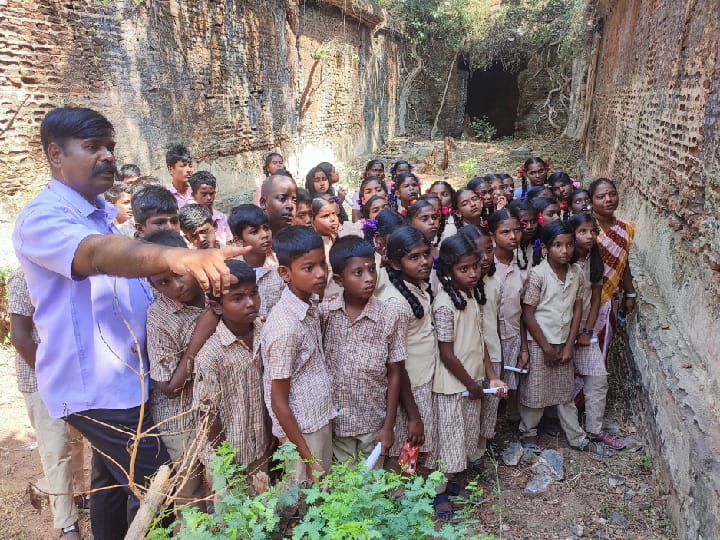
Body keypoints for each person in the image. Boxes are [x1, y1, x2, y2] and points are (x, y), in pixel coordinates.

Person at [12, 107, 246, 539]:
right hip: (94, 391)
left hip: (129, 381)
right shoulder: (42, 219)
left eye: (110, 147)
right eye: (92, 147)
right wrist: (177, 255)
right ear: (55, 154)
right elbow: (96, 256)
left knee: (112, 484)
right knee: (162, 480)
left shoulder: (103, 215)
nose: (106, 157)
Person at [431, 234, 507, 520]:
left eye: (476, 266)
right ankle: (437, 493)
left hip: (472, 383)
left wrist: (491, 377)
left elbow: (480, 340)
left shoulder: (471, 296)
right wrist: (472, 384)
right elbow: (447, 354)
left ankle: (451, 485)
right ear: (449, 271)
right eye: (465, 269)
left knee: (463, 440)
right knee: (448, 444)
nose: (474, 273)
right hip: (453, 387)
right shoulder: (444, 304)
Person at [8, 268, 85, 539]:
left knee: (74, 440)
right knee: (56, 449)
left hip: (72, 375)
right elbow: (20, 337)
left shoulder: (67, 272)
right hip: (41, 380)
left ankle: (74, 494)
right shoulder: (22, 278)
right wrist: (52, 377)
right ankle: (66, 523)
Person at [259, 226, 335, 482]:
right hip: (302, 433)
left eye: (322, 264)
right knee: (307, 502)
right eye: (308, 268)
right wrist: (308, 458)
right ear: (285, 273)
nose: (321, 273)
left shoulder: (308, 304)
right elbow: (279, 401)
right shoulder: (286, 328)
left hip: (316, 419)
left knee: (322, 498)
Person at [319, 236, 403, 466]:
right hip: (337, 423)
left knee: (371, 488)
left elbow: (395, 372)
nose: (369, 279)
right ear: (338, 279)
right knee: (344, 488)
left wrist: (388, 426)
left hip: (372, 423)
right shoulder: (325, 313)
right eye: (358, 273)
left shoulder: (388, 315)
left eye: (372, 270)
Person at [144, 230, 210, 510]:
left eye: (180, 274)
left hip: (213, 414)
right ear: (152, 285)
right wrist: (202, 334)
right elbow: (169, 388)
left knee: (221, 487)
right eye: (163, 283)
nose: (177, 286)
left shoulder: (213, 292)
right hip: (180, 422)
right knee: (189, 497)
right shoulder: (159, 319)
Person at [193, 259, 272, 485]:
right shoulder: (211, 356)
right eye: (237, 298)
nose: (250, 303)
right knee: (232, 516)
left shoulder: (264, 332)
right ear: (217, 306)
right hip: (227, 457)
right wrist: (227, 459)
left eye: (254, 294)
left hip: (259, 446)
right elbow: (208, 414)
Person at [519, 221, 591, 450]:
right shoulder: (538, 275)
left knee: (565, 391)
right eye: (558, 245)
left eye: (569, 245)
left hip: (563, 340)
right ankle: (528, 431)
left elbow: (577, 308)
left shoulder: (576, 272)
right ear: (546, 249)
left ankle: (576, 436)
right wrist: (546, 348)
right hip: (541, 342)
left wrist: (569, 344)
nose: (565, 251)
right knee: (536, 389)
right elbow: (528, 314)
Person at [376, 226, 435, 467]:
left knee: (416, 443)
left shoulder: (417, 286)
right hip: (408, 388)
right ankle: (401, 497)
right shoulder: (395, 303)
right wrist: (413, 414)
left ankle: (412, 494)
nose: (424, 262)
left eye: (426, 254)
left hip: (423, 378)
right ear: (396, 264)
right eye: (414, 257)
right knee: (408, 440)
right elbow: (396, 365)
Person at [568, 215, 626, 450]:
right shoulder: (563, 259)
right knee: (561, 379)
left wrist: (587, 330)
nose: (590, 236)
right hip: (560, 330)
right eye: (583, 231)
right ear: (572, 233)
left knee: (598, 378)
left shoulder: (595, 259)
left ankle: (594, 429)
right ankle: (560, 426)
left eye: (593, 231)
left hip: (583, 329)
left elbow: (595, 300)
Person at [588, 178, 636, 429]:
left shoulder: (624, 229)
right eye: (601, 196)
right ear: (591, 201)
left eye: (612, 194)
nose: (608, 200)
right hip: (586, 303)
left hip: (611, 301)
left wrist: (630, 294)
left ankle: (588, 401)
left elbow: (623, 263)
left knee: (601, 351)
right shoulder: (587, 229)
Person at [457, 225, 504, 454]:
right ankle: (467, 456)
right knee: (469, 410)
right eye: (478, 252)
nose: (485, 258)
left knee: (488, 410)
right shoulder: (462, 286)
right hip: (468, 359)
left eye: (489, 250)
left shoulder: (494, 282)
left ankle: (481, 453)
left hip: (492, 352)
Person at [487, 209, 529, 419]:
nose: (513, 237)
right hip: (489, 340)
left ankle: (510, 422)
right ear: (493, 236)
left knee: (510, 383)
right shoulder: (484, 267)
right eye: (505, 232)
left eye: (517, 231)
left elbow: (522, 311)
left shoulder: (523, 267)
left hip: (511, 334)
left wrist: (523, 347)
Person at [228, 204, 285, 316]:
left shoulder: (281, 265)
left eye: (266, 228)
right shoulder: (230, 270)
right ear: (239, 240)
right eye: (254, 232)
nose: (264, 235)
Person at [188, 170, 233, 246]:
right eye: (204, 194)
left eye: (211, 193)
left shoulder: (222, 218)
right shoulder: (189, 220)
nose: (209, 198)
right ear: (193, 195)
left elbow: (228, 245)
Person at [508, 199, 540, 275]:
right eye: (524, 222)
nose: (529, 227)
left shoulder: (540, 244)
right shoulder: (506, 247)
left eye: (533, 222)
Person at [166, 144, 194, 208]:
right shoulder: (165, 196)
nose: (189, 170)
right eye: (183, 166)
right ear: (170, 169)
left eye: (190, 166)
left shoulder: (197, 193)